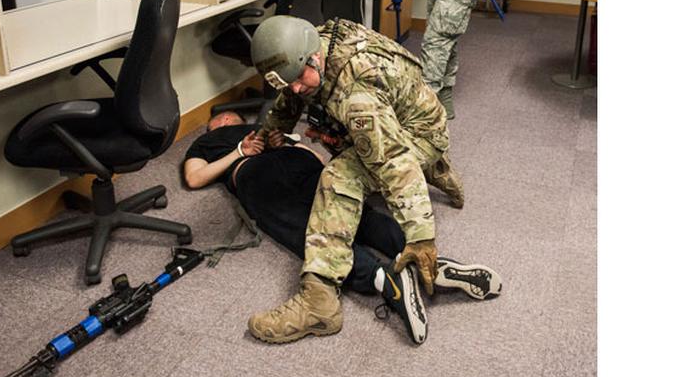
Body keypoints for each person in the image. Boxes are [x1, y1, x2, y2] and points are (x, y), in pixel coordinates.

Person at [184, 110, 501, 344]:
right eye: (220, 119)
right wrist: (240, 151)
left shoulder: (262, 127)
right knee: (338, 220)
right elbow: (195, 177)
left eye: (230, 117)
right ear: (213, 127)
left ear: (239, 120)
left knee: (321, 230)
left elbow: (310, 153)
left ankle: (385, 280)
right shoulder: (204, 143)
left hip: (283, 166)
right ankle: (424, 262)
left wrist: (285, 144)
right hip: (252, 170)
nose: (226, 119)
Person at [244, 15, 468, 344]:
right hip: (408, 113)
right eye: (286, 80)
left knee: (337, 177)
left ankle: (319, 304)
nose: (294, 86)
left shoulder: (356, 95)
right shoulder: (310, 43)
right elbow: (292, 94)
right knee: (337, 133)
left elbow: (393, 161)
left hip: (413, 135)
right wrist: (271, 130)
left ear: (315, 58)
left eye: (297, 77)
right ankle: (437, 169)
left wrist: (421, 237)